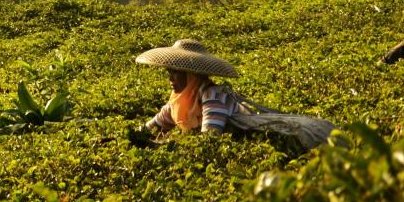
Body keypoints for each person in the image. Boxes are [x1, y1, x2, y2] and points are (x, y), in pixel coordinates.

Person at [135, 39, 335, 151]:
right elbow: (149, 128)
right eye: (169, 72)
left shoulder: (212, 95)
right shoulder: (178, 103)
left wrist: (166, 145)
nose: (171, 78)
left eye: (176, 73)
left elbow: (210, 138)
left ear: (192, 75)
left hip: (256, 140)